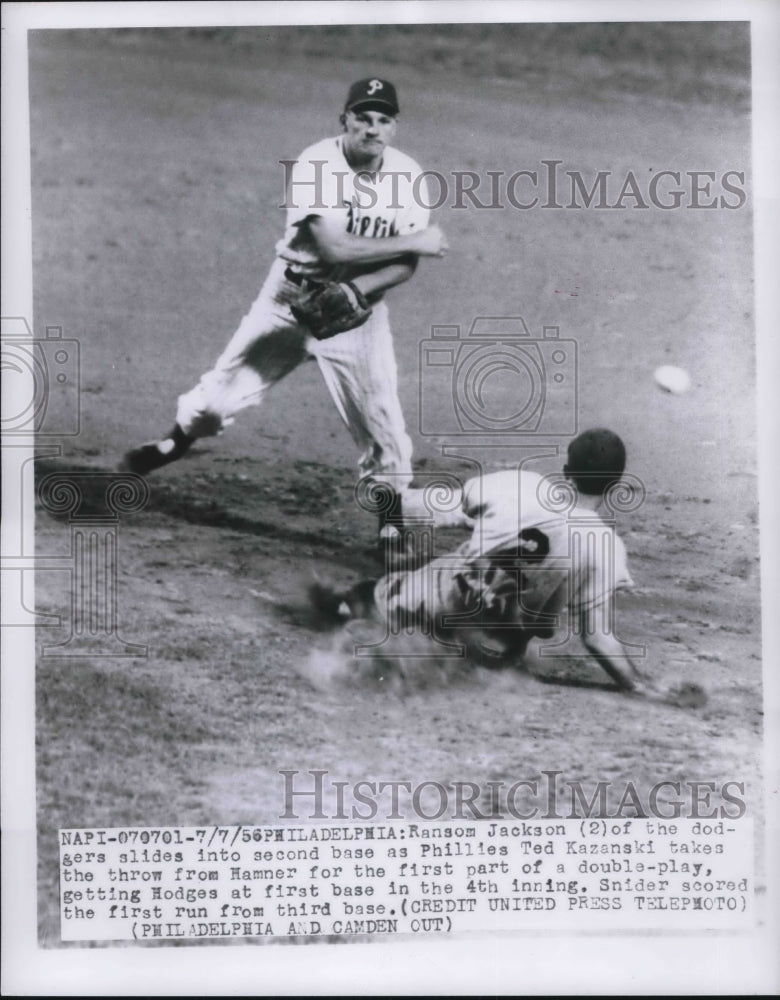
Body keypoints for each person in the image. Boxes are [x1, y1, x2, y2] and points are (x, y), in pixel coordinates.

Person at [122, 77, 447, 542]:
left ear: (394, 128)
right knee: (213, 405)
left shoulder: (408, 175)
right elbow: (334, 248)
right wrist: (416, 239)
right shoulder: (318, 163)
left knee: (384, 425)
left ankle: (390, 520)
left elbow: (403, 266)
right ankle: (175, 442)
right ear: (345, 120)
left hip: (359, 318)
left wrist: (358, 292)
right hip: (289, 301)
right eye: (363, 117)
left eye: (383, 120)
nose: (372, 130)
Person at [313, 428, 669, 698]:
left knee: (368, 597)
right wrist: (638, 684)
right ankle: (433, 662)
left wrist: (391, 539)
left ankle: (347, 618)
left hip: (430, 602)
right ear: (616, 484)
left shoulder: (519, 485)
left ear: (566, 471)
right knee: (493, 642)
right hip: (491, 651)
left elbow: (401, 505)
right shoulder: (605, 547)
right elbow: (597, 637)